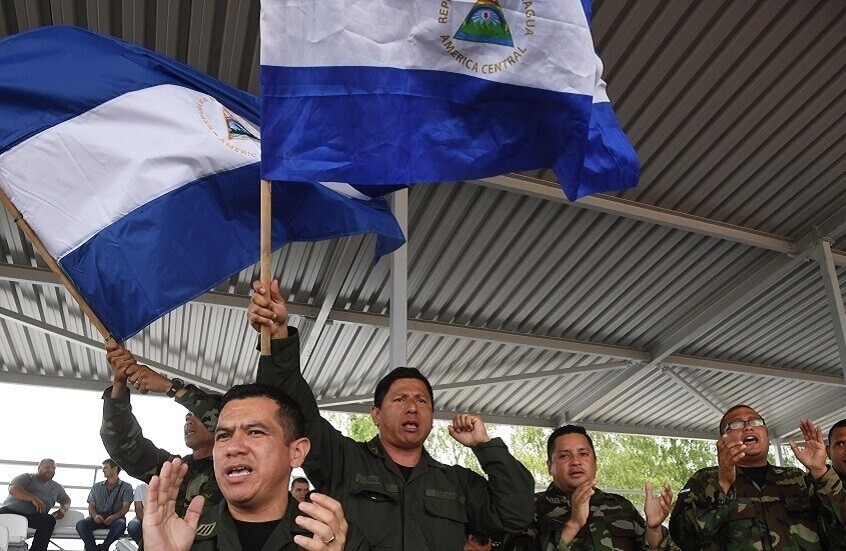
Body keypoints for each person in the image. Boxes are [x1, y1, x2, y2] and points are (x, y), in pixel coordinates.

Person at [247, 279, 535, 550]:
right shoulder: (343, 461)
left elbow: (514, 515)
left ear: (432, 416)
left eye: (422, 401)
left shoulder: (457, 482)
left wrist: (485, 448)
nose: (412, 407)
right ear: (375, 414)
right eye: (400, 399)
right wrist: (279, 337)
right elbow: (294, 411)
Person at [142, 383, 368, 550]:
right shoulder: (178, 535)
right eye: (223, 435)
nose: (233, 447)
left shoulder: (335, 537)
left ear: (296, 452)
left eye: (255, 432)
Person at [669, 404, 846, 550]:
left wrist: (821, 472)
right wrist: (722, 484)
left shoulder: (797, 479)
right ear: (723, 440)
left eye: (755, 421)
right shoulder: (705, 480)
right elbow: (684, 539)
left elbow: (839, 535)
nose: (748, 426)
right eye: (736, 424)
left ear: (767, 436)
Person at [502, 425, 675, 551]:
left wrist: (653, 529)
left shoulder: (620, 505)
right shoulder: (527, 508)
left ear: (595, 463)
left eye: (583, 454)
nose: (576, 461)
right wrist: (573, 524)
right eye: (564, 456)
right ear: (549, 467)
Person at [101, 342, 223, 517]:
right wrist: (119, 384)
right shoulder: (174, 469)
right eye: (187, 416)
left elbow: (232, 424)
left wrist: (170, 388)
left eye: (196, 414)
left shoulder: (236, 470)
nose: (188, 419)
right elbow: (121, 444)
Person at [0, 458, 71, 551]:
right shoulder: (27, 477)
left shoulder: (57, 487)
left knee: (49, 520)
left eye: (53, 468)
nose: (51, 470)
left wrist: (63, 509)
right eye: (47, 467)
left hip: (33, 517)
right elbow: (13, 490)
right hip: (10, 511)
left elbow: (66, 500)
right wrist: (33, 499)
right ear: (39, 467)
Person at [76, 458, 133, 551]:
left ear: (115, 469)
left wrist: (114, 517)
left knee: (121, 525)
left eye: (106, 467)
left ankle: (104, 548)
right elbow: (91, 505)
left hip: (115, 519)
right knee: (81, 524)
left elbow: (125, 508)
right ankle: (92, 549)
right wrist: (95, 516)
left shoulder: (126, 487)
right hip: (97, 518)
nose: (103, 470)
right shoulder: (96, 486)